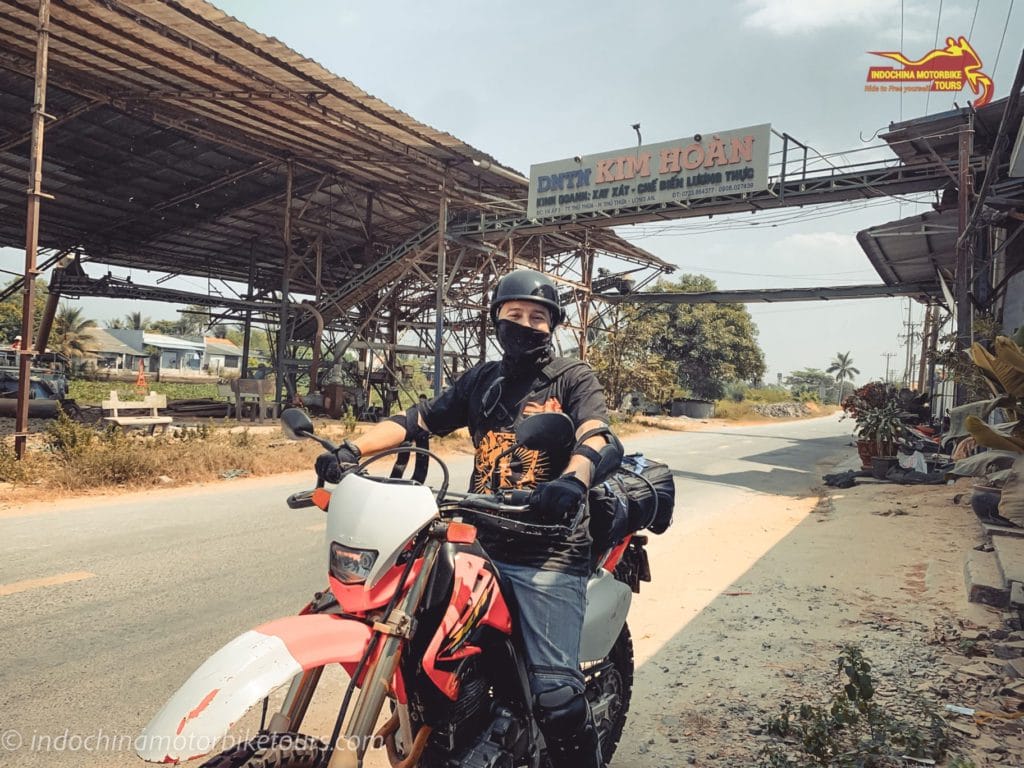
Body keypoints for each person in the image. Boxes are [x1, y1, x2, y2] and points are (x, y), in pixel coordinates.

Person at [316, 268, 621, 768]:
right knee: (420, 635)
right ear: (496, 319)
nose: (524, 325)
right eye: (514, 314)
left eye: (537, 317)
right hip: (479, 539)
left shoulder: (571, 378)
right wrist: (352, 449)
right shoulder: (484, 381)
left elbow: (598, 435)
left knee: (555, 695)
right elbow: (417, 420)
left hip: (547, 548)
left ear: (553, 326)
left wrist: (573, 481)